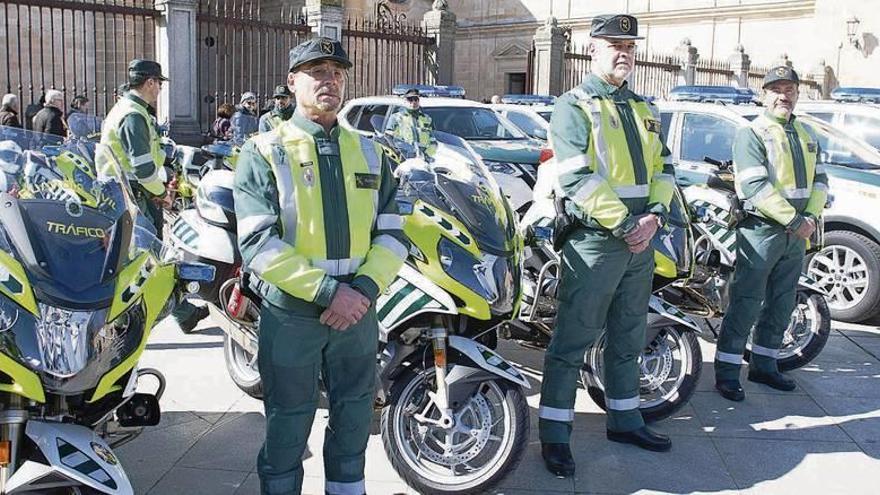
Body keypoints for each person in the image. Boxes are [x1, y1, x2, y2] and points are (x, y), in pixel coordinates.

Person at [234, 37, 408, 495]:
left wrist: (364, 290)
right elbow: (257, 242)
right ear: (293, 82)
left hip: (357, 312)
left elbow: (393, 234)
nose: (329, 79)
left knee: (354, 417)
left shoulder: (371, 152)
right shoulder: (264, 150)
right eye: (316, 71)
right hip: (293, 313)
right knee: (288, 422)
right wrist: (332, 294)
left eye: (336, 71)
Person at [537, 14, 677, 477]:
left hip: (641, 240)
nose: (623, 52)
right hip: (597, 241)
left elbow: (665, 170)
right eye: (613, 44)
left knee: (629, 332)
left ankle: (625, 418)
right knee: (572, 339)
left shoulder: (644, 107)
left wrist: (655, 215)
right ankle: (555, 435)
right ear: (591, 48)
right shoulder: (573, 106)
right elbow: (576, 175)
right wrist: (626, 225)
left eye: (630, 46)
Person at [713, 66, 828, 402]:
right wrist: (796, 220)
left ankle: (764, 364)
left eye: (789, 89)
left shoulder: (807, 134)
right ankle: (727, 372)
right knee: (746, 302)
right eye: (776, 89)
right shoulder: (753, 133)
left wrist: (808, 216)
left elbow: (821, 181)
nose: (783, 95)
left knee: (782, 303)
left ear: (796, 93)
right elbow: (754, 185)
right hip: (761, 230)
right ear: (764, 95)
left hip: (796, 232)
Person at [96, 59, 169, 237]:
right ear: (150, 82)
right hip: (131, 192)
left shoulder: (128, 108)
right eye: (159, 83)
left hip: (121, 190)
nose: (160, 89)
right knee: (144, 249)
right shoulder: (133, 115)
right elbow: (143, 168)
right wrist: (162, 192)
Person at [384, 88, 437, 157]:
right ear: (405, 101)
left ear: (419, 101)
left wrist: (427, 155)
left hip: (423, 158)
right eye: (410, 99)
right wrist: (397, 152)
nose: (413, 102)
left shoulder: (427, 119)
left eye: (416, 99)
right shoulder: (396, 118)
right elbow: (388, 138)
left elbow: (434, 141)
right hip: (403, 157)